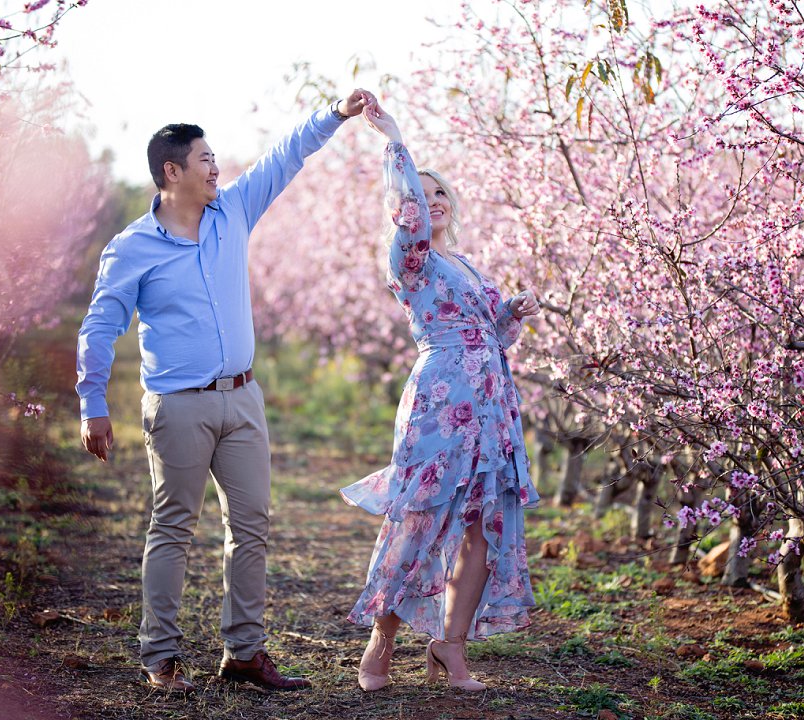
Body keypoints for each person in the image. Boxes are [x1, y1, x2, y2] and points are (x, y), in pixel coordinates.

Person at [76, 89, 373, 693]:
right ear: (172, 171)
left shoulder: (233, 212)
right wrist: (93, 404)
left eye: (216, 158)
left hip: (243, 399)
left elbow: (284, 158)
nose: (217, 168)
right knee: (174, 527)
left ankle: (244, 653)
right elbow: (100, 327)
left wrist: (335, 115)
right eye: (205, 159)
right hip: (178, 406)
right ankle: (160, 656)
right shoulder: (132, 248)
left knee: (252, 526)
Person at [340, 98, 541, 692]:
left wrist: (513, 313)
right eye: (421, 196)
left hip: (491, 401)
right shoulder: (413, 259)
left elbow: (495, 332)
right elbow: (408, 215)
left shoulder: (468, 264)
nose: (433, 202)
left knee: (483, 525)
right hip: (440, 398)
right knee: (419, 518)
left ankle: (450, 647)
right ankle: (383, 638)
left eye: (441, 194)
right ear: (406, 211)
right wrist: (396, 137)